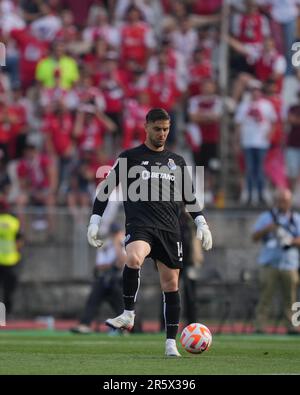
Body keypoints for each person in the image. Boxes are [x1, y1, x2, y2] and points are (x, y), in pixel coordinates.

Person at [87, 108, 213, 357]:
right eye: (157, 129)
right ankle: (128, 314)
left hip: (170, 229)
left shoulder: (175, 160)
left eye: (166, 129)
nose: (162, 134)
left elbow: (189, 196)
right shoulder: (129, 157)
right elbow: (106, 189)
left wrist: (201, 222)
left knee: (171, 284)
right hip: (140, 225)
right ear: (146, 127)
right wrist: (94, 221)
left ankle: (170, 343)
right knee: (133, 258)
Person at [252, 188, 300, 334]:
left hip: (289, 264)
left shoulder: (295, 218)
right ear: (276, 201)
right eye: (280, 201)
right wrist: (268, 229)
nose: (282, 204)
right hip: (269, 263)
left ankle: (293, 326)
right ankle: (260, 326)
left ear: (290, 202)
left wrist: (290, 240)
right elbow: (254, 237)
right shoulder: (266, 217)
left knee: (291, 298)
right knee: (265, 297)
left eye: (285, 201)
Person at [71, 223, 126, 334]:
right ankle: (85, 324)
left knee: (121, 303)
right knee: (93, 299)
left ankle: (125, 327)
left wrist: (117, 245)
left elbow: (122, 262)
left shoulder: (124, 244)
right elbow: (99, 265)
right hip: (105, 279)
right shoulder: (104, 245)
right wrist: (113, 265)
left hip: (119, 280)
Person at [0, 198, 23, 317]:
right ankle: (7, 315)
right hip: (11, 260)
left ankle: (1, 316)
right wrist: (18, 254)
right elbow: (19, 240)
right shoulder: (13, 221)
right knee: (8, 291)